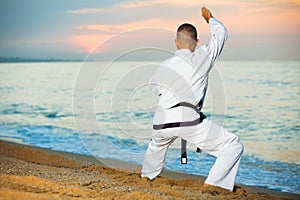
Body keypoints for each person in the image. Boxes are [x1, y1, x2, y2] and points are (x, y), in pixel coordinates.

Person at [141, 7, 244, 191]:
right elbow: (221, 33)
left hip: (162, 119)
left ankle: (146, 179)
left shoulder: (164, 66)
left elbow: (155, 88)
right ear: (196, 42)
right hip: (188, 119)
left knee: (155, 147)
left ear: (176, 42)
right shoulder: (202, 55)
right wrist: (209, 18)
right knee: (232, 145)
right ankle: (214, 187)